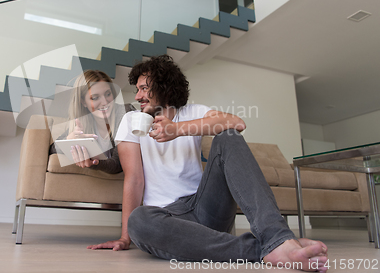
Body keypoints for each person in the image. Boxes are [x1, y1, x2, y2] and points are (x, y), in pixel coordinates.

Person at [87, 55, 329, 272]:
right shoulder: (130, 120)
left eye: (143, 89)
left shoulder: (194, 112)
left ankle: (277, 237)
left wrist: (177, 129)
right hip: (167, 218)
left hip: (205, 206)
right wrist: (125, 237)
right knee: (139, 220)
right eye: (136, 89)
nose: (137, 96)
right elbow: (134, 179)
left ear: (164, 88)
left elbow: (237, 122)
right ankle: (272, 248)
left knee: (228, 135)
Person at [49, 70, 134, 174]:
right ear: (83, 102)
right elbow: (52, 149)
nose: (105, 102)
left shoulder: (125, 113)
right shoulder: (84, 122)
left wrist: (96, 163)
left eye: (108, 94)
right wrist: (69, 140)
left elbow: (118, 164)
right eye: (95, 97)